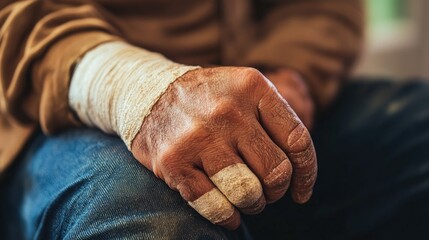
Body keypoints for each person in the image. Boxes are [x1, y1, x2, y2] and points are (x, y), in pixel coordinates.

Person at [1, 0, 428, 239]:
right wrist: (141, 92)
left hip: (255, 81)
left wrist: (287, 77)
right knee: (149, 221)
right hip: (64, 110)